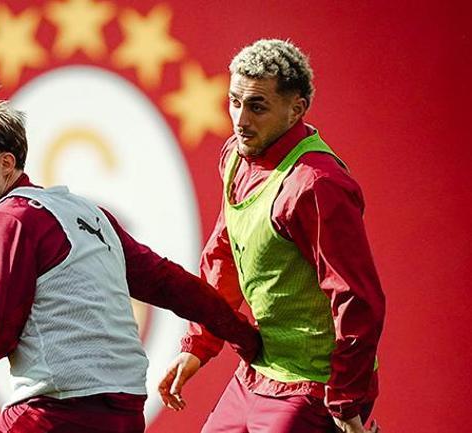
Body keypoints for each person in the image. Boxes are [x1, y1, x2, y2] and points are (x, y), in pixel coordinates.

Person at [0, 90, 262, 433]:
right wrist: (244, 335)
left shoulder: (8, 220)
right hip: (125, 414)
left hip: (60, 414)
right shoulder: (88, 212)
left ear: (6, 163)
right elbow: (169, 284)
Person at [157, 39, 386, 433]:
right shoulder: (236, 157)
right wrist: (198, 345)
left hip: (316, 386)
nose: (240, 120)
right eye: (234, 102)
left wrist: (346, 401)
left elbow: (357, 300)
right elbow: (223, 258)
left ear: (296, 108)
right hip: (258, 373)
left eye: (257, 107)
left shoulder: (318, 185)